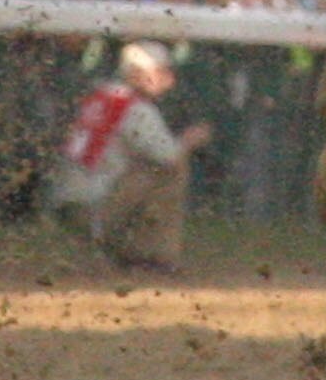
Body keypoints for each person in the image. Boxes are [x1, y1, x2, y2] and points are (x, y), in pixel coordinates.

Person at [51, 42, 208, 273]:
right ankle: (152, 255)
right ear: (138, 74)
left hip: (68, 203)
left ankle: (120, 249)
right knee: (171, 171)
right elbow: (169, 156)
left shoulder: (100, 95)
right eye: (161, 71)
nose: (168, 79)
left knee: (143, 169)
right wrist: (190, 140)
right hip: (95, 206)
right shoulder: (136, 108)